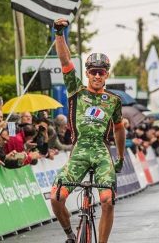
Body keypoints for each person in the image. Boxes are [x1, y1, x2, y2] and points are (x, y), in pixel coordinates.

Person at [50, 19, 125, 243]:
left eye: (101, 72)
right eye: (93, 72)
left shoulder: (113, 100)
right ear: (87, 73)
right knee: (56, 197)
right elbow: (65, 60)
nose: (97, 76)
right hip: (80, 152)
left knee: (107, 201)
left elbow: (119, 129)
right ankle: (70, 234)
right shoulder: (76, 90)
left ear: (107, 75)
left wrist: (120, 157)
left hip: (102, 154)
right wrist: (59, 33)